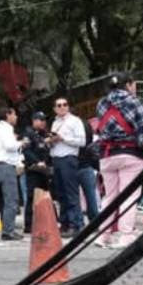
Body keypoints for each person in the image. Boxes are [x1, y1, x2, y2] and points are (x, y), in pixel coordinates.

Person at [95, 73, 143, 248]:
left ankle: (103, 235)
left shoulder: (102, 103)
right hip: (131, 155)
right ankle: (126, 235)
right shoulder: (134, 102)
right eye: (134, 84)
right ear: (129, 85)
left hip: (107, 155)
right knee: (129, 196)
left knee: (109, 196)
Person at [48, 96, 87, 238]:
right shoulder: (55, 123)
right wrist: (51, 141)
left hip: (68, 158)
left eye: (65, 104)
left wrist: (63, 139)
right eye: (59, 105)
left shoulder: (75, 121)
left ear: (68, 106)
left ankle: (75, 224)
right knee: (61, 194)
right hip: (56, 158)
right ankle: (65, 223)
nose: (62, 107)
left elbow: (82, 141)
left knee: (71, 192)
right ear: (55, 109)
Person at [0, 107, 25, 241]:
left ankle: (6, 229)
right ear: (7, 115)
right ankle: (8, 231)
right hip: (6, 167)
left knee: (5, 201)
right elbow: (9, 146)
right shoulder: (5, 129)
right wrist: (21, 143)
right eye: (14, 114)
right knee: (11, 199)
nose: (16, 117)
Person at [22, 111, 54, 233]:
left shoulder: (43, 134)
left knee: (45, 197)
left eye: (44, 120)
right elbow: (27, 151)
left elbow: (46, 151)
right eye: (41, 120)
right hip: (33, 169)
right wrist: (37, 161)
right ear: (34, 121)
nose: (43, 122)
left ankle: (44, 222)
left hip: (44, 170)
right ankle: (29, 225)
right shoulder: (29, 133)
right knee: (32, 197)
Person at [78, 116, 102, 223]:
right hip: (87, 165)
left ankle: (78, 221)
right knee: (91, 194)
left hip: (74, 164)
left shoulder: (74, 129)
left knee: (74, 195)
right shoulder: (87, 128)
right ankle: (94, 219)